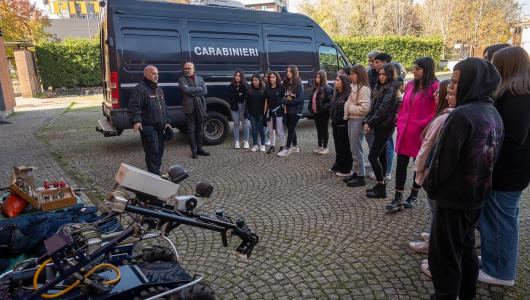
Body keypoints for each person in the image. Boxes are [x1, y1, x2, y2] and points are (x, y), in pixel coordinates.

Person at [424, 58, 503, 300]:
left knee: (445, 257)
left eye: (456, 82)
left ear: (472, 82)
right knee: (466, 249)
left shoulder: (462, 115)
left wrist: (431, 186)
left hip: (453, 198)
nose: (451, 87)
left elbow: (442, 160)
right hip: (476, 196)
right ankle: (466, 293)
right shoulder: (493, 113)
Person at [478, 46, 530, 287]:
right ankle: (493, 261)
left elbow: (512, 136)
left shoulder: (517, 95)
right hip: (512, 170)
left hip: (508, 171)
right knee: (499, 217)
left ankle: (500, 271)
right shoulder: (518, 93)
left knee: (501, 219)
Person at [386, 57, 438, 212]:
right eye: (413, 67)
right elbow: (403, 106)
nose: (413, 71)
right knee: (401, 164)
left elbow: (436, 111)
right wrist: (400, 121)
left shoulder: (435, 87)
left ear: (426, 70)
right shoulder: (409, 85)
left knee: (418, 165)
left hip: (420, 133)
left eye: (417, 68)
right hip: (405, 131)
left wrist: (420, 124)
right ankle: (397, 197)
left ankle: (414, 194)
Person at [408, 80, 452, 259]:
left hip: (431, 171)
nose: (435, 94)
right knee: (435, 210)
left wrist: (419, 169)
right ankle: (434, 236)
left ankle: (434, 245)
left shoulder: (444, 117)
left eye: (440, 92)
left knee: (438, 210)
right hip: (431, 171)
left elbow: (428, 147)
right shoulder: (440, 113)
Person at [363, 64, 399, 199]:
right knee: (382, 157)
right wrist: (367, 121)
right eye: (380, 74)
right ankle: (381, 187)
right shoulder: (380, 86)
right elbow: (373, 108)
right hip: (379, 126)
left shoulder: (391, 89)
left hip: (385, 126)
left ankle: (380, 185)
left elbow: (383, 110)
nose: (381, 76)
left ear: (390, 75)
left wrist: (370, 123)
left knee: (372, 156)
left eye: (384, 74)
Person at [128, 65, 171, 175]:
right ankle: (154, 174)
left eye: (157, 73)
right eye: (153, 73)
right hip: (148, 127)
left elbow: (164, 107)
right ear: (146, 74)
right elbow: (134, 107)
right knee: (153, 151)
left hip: (160, 126)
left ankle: (156, 172)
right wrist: (137, 121)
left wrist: (167, 122)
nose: (156, 75)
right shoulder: (139, 89)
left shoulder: (159, 90)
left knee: (160, 150)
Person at [343, 64, 371, 187]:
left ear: (358, 75)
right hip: (352, 119)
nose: (350, 76)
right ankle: (355, 172)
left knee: (357, 148)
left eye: (352, 73)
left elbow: (365, 108)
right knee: (353, 148)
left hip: (358, 120)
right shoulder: (354, 87)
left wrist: (349, 108)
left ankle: (361, 176)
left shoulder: (363, 89)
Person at [178, 62, 209, 159]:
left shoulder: (200, 79)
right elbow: (186, 90)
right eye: (185, 68)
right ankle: (194, 150)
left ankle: (200, 149)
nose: (187, 70)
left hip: (200, 108)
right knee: (191, 130)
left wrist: (193, 90)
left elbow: (205, 91)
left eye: (189, 68)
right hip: (189, 108)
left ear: (193, 69)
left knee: (199, 130)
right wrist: (198, 89)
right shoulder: (181, 79)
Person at [278, 65, 304, 157]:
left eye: (289, 71)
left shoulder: (299, 82)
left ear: (294, 72)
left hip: (296, 110)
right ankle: (295, 147)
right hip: (288, 110)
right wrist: (282, 100)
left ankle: (287, 148)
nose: (287, 73)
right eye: (287, 71)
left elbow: (300, 99)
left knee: (291, 128)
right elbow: (281, 94)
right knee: (290, 127)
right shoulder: (286, 82)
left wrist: (287, 102)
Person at [330, 74, 353, 176]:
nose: (335, 82)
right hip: (335, 123)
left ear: (343, 82)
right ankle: (338, 164)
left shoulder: (348, 94)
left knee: (345, 147)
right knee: (338, 146)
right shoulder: (337, 93)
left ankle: (347, 168)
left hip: (343, 124)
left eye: (337, 80)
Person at [309, 70, 333, 155]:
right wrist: (310, 109)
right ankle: (320, 146)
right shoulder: (315, 88)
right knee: (319, 130)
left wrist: (323, 108)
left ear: (323, 78)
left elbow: (330, 102)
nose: (317, 78)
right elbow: (312, 99)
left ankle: (325, 147)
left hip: (324, 113)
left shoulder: (327, 88)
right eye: (316, 77)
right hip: (316, 113)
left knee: (324, 129)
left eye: (319, 77)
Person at [227, 70, 250, 149]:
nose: (237, 77)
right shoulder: (231, 86)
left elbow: (246, 98)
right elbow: (229, 97)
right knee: (236, 123)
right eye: (236, 75)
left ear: (242, 77)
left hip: (243, 107)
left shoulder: (245, 86)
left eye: (239, 76)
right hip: (234, 107)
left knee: (245, 125)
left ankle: (246, 141)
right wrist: (238, 96)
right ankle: (236, 141)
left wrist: (238, 96)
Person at [264, 72, 286, 154]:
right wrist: (264, 113)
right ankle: (272, 146)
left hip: (279, 112)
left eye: (273, 77)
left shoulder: (281, 88)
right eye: (270, 77)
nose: (272, 79)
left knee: (280, 130)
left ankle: (282, 145)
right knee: (270, 130)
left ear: (276, 78)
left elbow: (284, 100)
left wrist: (285, 113)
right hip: (270, 112)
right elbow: (266, 102)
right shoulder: (267, 89)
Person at [246, 74, 267, 152]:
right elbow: (246, 102)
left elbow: (266, 102)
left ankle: (263, 144)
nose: (254, 82)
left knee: (262, 129)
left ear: (260, 80)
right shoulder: (249, 89)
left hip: (261, 113)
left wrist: (265, 112)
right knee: (254, 129)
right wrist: (246, 111)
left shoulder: (264, 89)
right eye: (253, 80)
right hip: (252, 113)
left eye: (256, 80)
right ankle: (255, 145)